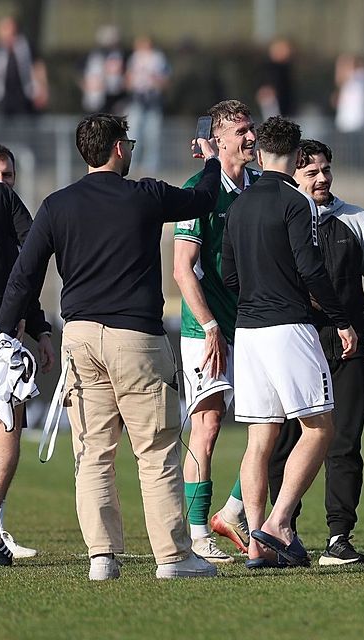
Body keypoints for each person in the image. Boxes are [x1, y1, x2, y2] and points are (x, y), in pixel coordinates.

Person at [0, 112, 221, 580]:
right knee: (156, 451)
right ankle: (174, 559)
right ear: (118, 148)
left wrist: (3, 331)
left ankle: (102, 557)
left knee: (93, 452)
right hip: (137, 338)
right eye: (130, 142)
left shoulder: (57, 205)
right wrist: (214, 159)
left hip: (80, 339)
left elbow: (24, 276)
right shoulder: (145, 195)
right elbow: (204, 197)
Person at [220, 116, 358, 570]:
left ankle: (257, 545)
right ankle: (279, 523)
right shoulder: (296, 203)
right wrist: (341, 318)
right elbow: (311, 269)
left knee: (260, 440)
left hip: (249, 331)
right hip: (289, 328)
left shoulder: (239, 205)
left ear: (258, 154)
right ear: (298, 158)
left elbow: (230, 276)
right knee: (320, 427)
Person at [265, 138, 364, 566]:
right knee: (285, 441)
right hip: (297, 342)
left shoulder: (358, 220)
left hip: (352, 343)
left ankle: (339, 537)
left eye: (326, 170)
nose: (322, 179)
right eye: (311, 172)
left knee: (344, 442)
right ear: (293, 176)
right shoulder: (281, 219)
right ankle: (285, 531)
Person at [172, 100, 259, 563]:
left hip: (254, 326)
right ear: (219, 139)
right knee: (206, 427)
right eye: (241, 131)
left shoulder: (261, 187)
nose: (250, 137)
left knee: (274, 423)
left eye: (252, 129)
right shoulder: (198, 190)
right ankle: (199, 531)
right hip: (206, 329)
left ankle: (233, 509)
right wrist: (208, 326)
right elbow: (182, 269)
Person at [0, 151, 54, 566]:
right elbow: (33, 250)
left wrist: (37, 326)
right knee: (9, 419)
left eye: (8, 174)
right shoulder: (0, 199)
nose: (2, 180)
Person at [0, 16, 43, 116]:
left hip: (25, 100)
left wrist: (41, 90)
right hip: (1, 101)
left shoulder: (26, 49)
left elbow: (37, 67)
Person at [125, 35, 169, 174]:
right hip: (137, 99)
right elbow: (128, 78)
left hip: (153, 100)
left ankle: (151, 166)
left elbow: (164, 80)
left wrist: (155, 82)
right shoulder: (135, 58)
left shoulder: (158, 58)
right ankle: (131, 163)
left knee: (152, 134)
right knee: (133, 133)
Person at [81, 25, 126, 113]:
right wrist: (86, 85)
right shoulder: (94, 56)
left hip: (115, 95)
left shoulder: (119, 55)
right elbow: (81, 72)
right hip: (96, 96)